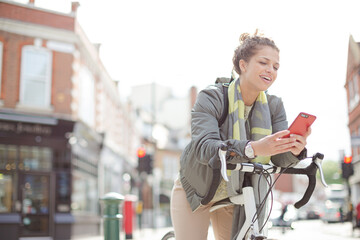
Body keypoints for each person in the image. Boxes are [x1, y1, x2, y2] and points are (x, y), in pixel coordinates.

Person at [170, 30, 311, 240]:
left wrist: (294, 150)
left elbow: (278, 159)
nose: (270, 70)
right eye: (263, 62)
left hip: (236, 193)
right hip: (197, 189)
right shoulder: (212, 97)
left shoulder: (274, 106)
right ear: (243, 65)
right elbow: (204, 147)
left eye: (276, 66)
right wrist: (253, 148)